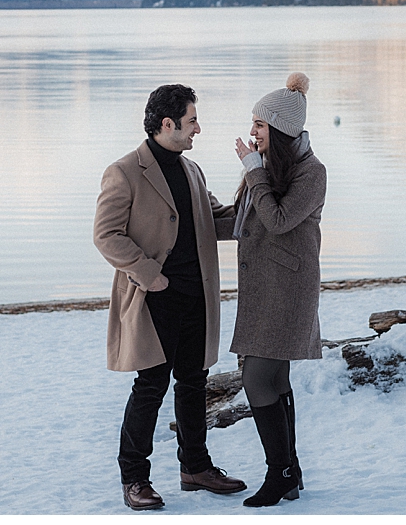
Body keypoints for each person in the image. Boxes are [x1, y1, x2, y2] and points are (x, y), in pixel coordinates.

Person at [93, 84, 246, 511]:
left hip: (197, 298)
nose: (198, 128)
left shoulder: (192, 170)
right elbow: (106, 236)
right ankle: (134, 479)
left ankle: (195, 467)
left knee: (194, 382)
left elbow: (218, 219)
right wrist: (151, 276)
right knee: (151, 387)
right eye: (192, 120)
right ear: (168, 124)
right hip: (153, 298)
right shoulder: (123, 171)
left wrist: (260, 188)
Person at [230, 72, 326, 507]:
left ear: (281, 131)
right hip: (264, 287)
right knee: (275, 378)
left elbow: (279, 220)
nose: (252, 133)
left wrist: (253, 172)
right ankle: (291, 470)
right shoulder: (269, 169)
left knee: (256, 379)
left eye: (260, 125)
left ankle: (280, 472)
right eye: (254, 123)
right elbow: (243, 218)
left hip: (288, 290)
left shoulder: (312, 172)